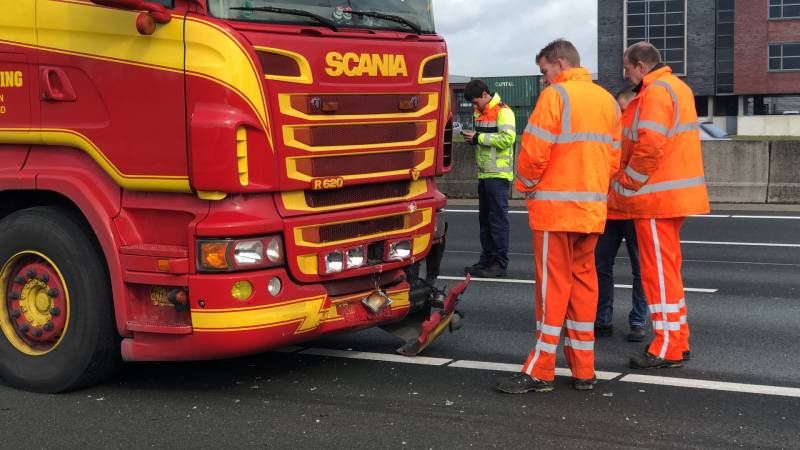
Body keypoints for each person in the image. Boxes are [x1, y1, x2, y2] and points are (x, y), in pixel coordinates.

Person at [495, 39, 620, 393]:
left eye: (545, 71)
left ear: (560, 63)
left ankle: (541, 371)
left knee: (552, 289)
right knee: (584, 285)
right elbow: (614, 160)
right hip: (591, 212)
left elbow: (534, 151)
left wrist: (526, 185)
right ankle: (584, 370)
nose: (543, 79)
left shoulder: (556, 97)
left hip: (555, 212)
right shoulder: (608, 101)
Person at [610, 41, 710, 369]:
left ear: (641, 66)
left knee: (658, 275)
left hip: (655, 198)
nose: (625, 75)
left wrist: (627, 182)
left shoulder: (654, 92)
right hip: (671, 196)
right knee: (668, 272)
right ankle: (677, 339)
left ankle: (667, 345)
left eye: (627, 68)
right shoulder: (677, 88)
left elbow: (649, 144)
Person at [594, 87, 648, 343]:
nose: (622, 115)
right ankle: (602, 319)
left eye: (626, 110)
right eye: (620, 110)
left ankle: (638, 321)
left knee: (641, 270)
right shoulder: (610, 131)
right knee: (600, 266)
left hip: (636, 210)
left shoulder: (642, 134)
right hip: (610, 209)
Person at [461, 79, 516, 278]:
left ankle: (499, 263)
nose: (475, 106)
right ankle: (486, 260)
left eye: (476, 102)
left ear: (485, 94)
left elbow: (507, 139)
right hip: (485, 174)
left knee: (497, 221)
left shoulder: (504, 111)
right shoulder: (481, 113)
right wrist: (473, 139)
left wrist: (477, 138)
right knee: (485, 221)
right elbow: (486, 139)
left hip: (498, 175)